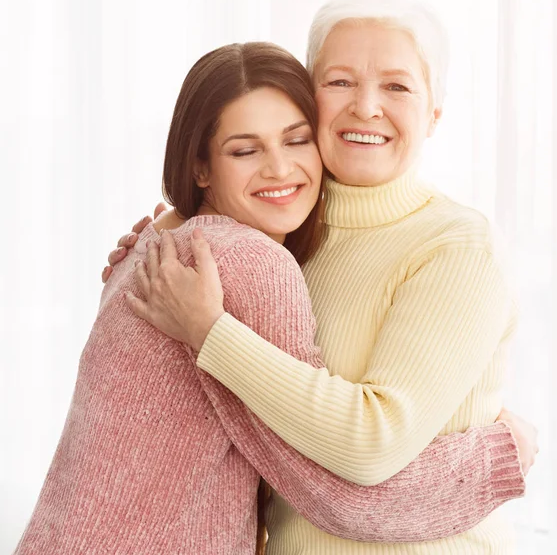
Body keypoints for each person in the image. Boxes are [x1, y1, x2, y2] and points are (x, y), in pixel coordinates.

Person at [15, 42, 530, 555]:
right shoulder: (246, 263)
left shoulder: (165, 245)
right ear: (200, 168)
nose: (281, 169)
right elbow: (339, 499)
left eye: (297, 140)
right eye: (245, 150)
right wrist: (503, 453)